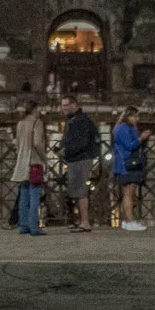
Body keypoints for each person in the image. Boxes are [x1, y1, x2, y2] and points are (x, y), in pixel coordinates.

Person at [60, 95, 100, 232]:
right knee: (76, 190)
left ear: (74, 105)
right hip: (76, 158)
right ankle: (81, 220)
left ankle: (85, 222)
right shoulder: (75, 119)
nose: (63, 108)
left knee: (81, 190)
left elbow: (81, 142)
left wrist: (66, 150)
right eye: (62, 105)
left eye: (66, 105)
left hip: (80, 158)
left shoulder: (80, 120)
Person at [9, 98, 46, 236]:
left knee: (23, 195)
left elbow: (18, 144)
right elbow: (37, 143)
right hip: (34, 162)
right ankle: (34, 226)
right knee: (34, 195)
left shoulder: (20, 124)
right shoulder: (37, 123)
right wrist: (44, 157)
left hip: (22, 162)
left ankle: (23, 225)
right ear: (35, 109)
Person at [112, 106, 150, 230]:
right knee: (129, 191)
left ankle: (128, 220)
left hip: (130, 162)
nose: (137, 119)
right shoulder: (122, 128)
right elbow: (129, 145)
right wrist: (141, 138)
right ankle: (129, 220)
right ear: (128, 116)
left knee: (130, 191)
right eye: (135, 116)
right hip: (126, 162)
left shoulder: (128, 128)